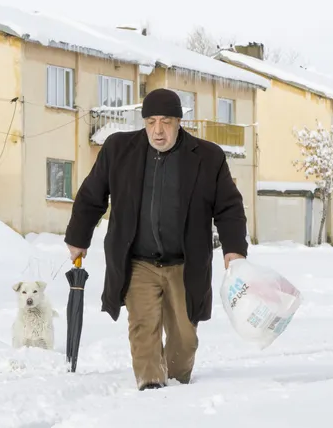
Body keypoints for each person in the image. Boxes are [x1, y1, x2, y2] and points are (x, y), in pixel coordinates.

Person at [64, 88, 248, 390]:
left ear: (179, 121)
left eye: (165, 121)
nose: (158, 130)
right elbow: (92, 195)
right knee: (142, 327)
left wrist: (234, 249)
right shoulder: (119, 149)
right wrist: (78, 236)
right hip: (138, 262)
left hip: (186, 264)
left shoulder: (207, 157)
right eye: (151, 121)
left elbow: (228, 207)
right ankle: (150, 387)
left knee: (185, 339)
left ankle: (175, 385)